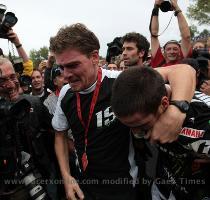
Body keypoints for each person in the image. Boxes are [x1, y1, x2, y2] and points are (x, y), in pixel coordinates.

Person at [49, 23, 195, 200]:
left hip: (124, 187)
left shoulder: (121, 82)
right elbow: (59, 136)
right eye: (62, 67)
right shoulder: (65, 93)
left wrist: (176, 112)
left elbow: (183, 70)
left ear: (95, 57)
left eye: (72, 65)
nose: (65, 75)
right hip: (84, 186)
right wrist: (66, 176)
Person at [111, 66, 210, 200]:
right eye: (129, 126)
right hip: (162, 188)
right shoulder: (144, 86)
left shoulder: (201, 119)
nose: (136, 133)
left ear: (164, 104)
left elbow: (186, 69)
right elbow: (177, 70)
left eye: (142, 125)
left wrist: (177, 110)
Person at [0, 57, 59, 200]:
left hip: (43, 175)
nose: (10, 85)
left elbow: (56, 132)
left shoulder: (33, 102)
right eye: (2, 80)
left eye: (13, 77)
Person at [150, 0, 191, 68]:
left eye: (175, 49)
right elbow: (153, 34)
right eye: (168, 49)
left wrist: (176, 7)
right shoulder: (158, 62)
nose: (172, 52)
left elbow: (186, 37)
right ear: (164, 52)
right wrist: (156, 6)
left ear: (180, 51)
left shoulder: (183, 61)